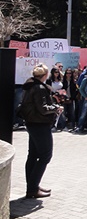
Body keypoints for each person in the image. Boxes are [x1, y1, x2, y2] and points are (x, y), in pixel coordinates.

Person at [20, 64, 63, 198]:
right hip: (39, 123)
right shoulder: (39, 88)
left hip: (32, 123)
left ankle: (32, 187)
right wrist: (56, 108)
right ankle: (32, 188)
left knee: (33, 155)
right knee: (45, 155)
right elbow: (43, 108)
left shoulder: (30, 86)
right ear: (44, 75)